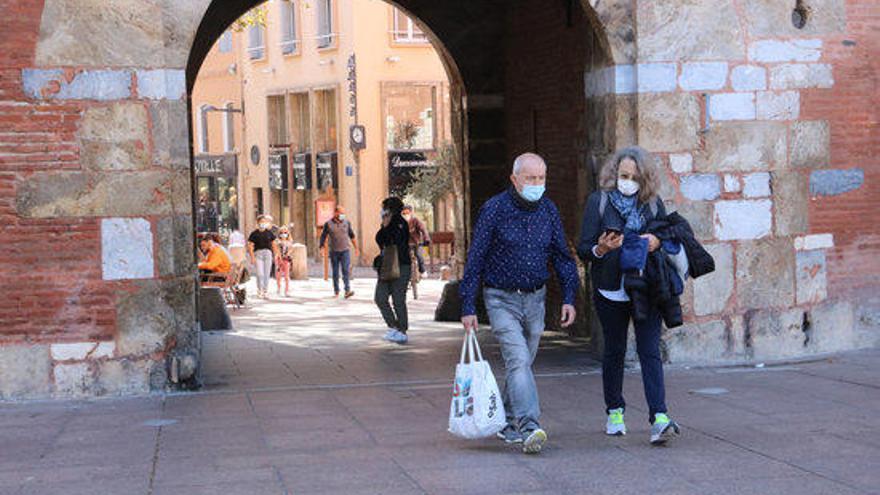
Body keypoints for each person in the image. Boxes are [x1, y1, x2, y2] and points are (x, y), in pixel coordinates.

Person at [459, 152, 579, 455]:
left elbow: (562, 257)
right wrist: (467, 306)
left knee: (523, 362)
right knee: (518, 359)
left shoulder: (548, 210)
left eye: (541, 178)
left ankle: (507, 421)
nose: (537, 184)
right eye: (531, 178)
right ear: (515, 179)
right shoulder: (494, 210)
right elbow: (476, 258)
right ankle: (529, 425)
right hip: (501, 298)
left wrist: (568, 298)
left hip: (535, 299)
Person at [576, 146, 681, 445]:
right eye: (623, 175)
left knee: (650, 349)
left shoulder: (652, 204)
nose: (628, 181)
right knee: (615, 350)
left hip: (646, 287)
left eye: (634, 176)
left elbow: (668, 236)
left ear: (644, 178)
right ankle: (615, 411)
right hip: (610, 288)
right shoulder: (599, 202)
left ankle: (659, 417)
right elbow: (584, 248)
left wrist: (656, 241)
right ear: (614, 174)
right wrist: (602, 248)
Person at [374, 197, 412, 344]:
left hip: (401, 265)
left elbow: (396, 241)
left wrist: (387, 226)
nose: (382, 211)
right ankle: (393, 326)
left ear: (391, 210)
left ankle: (402, 330)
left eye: (384, 208)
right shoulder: (386, 224)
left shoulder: (401, 224)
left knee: (398, 299)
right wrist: (384, 226)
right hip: (387, 265)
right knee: (380, 297)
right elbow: (379, 240)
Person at [320, 206, 359, 298]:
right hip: (334, 251)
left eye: (343, 213)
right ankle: (336, 291)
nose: (342, 215)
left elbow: (352, 235)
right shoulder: (328, 224)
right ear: (335, 213)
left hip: (345, 250)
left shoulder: (347, 222)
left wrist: (356, 248)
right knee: (335, 272)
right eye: (341, 213)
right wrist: (321, 248)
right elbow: (323, 236)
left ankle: (347, 290)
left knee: (346, 270)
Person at [248, 214, 278, 299]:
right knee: (260, 273)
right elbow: (250, 246)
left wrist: (276, 255)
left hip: (268, 254)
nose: (263, 223)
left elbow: (274, 244)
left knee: (266, 273)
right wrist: (252, 257)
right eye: (261, 222)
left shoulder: (269, 233)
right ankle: (259, 290)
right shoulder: (254, 234)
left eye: (265, 222)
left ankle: (265, 291)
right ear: (258, 223)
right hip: (258, 254)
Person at [401, 205, 431, 275]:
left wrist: (426, 238)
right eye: (404, 213)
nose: (406, 215)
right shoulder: (400, 222)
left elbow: (423, 229)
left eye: (407, 213)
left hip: (416, 243)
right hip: (405, 244)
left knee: (419, 255)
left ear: (411, 213)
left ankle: (422, 270)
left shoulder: (415, 220)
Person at [274, 225, 295, 297]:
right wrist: (280, 257)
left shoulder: (290, 241)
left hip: (287, 260)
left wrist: (287, 255)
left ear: (288, 233)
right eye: (282, 232)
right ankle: (278, 288)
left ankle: (287, 290)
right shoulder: (277, 241)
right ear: (279, 233)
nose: (283, 234)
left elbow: (291, 249)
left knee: (286, 275)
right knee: (278, 275)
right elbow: (277, 250)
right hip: (279, 259)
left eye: (285, 232)